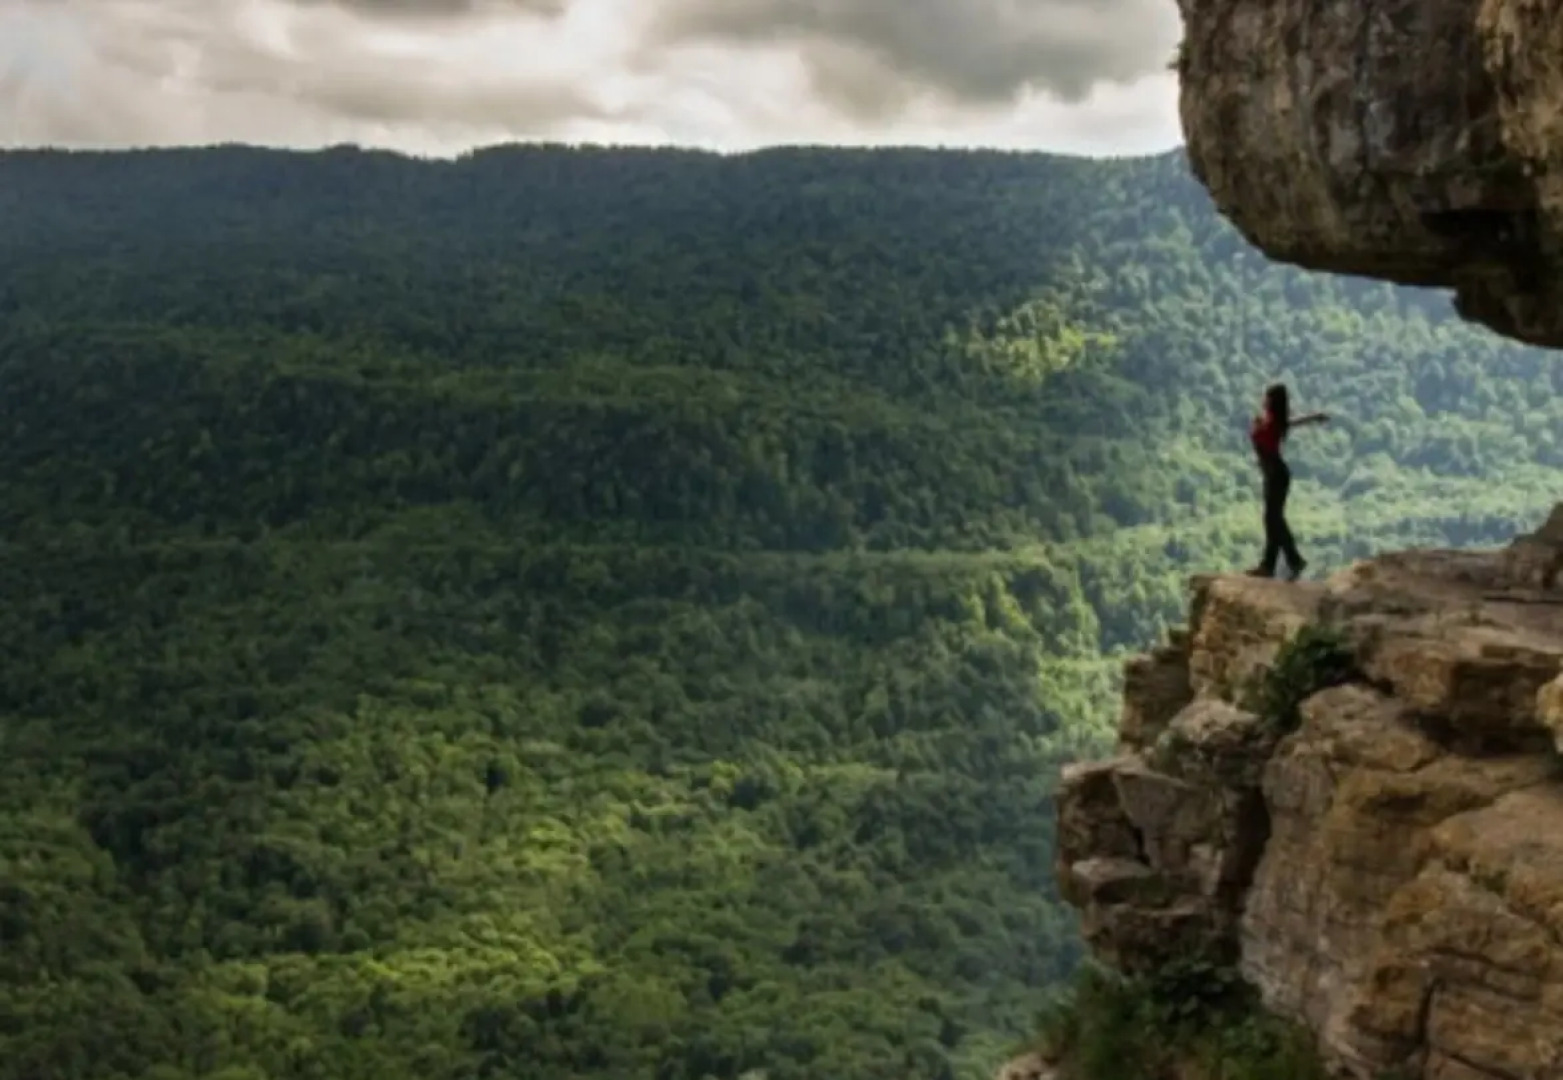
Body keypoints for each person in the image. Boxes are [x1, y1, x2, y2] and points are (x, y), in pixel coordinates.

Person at [1248, 382, 1328, 580]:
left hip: (1277, 475)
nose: (1263, 399)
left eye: (1267, 396)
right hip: (1273, 475)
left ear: (1272, 401)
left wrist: (1258, 426)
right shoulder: (1273, 420)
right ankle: (1269, 566)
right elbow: (1295, 422)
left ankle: (1293, 560)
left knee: (1274, 519)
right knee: (1272, 520)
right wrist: (1314, 417)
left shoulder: (1272, 422)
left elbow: (1272, 432)